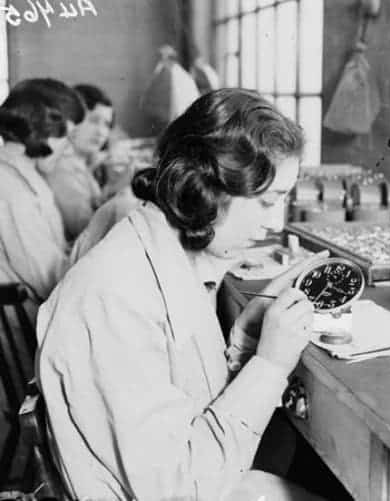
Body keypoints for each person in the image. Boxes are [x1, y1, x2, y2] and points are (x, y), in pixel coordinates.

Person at [37, 88, 327, 500]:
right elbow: (179, 488)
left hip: (183, 476)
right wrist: (270, 364)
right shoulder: (116, 296)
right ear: (206, 188)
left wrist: (241, 349)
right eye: (267, 202)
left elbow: (182, 396)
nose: (275, 223)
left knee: (291, 449)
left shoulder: (161, 254)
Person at [0, 79, 85, 320]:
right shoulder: (11, 187)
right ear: (41, 130)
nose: (68, 149)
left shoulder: (22, 173)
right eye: (66, 138)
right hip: (27, 329)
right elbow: (48, 280)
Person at [43, 83, 111, 240]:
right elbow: (87, 231)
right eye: (94, 120)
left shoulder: (79, 161)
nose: (101, 132)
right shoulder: (62, 167)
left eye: (107, 124)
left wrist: (113, 187)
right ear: (72, 120)